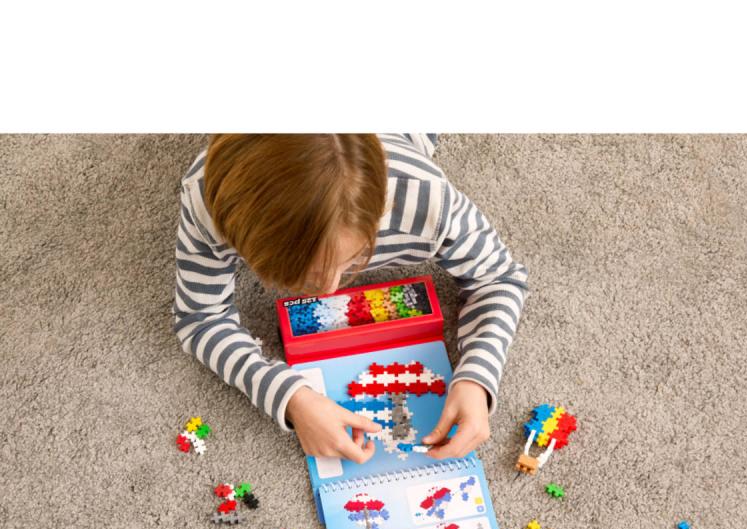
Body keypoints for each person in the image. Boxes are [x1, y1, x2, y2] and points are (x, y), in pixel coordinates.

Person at [174, 134, 528, 463]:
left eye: (353, 260)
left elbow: (500, 277)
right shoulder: (207, 201)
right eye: (305, 274)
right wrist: (289, 397)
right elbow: (200, 317)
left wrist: (477, 377)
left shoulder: (428, 201)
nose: (329, 289)